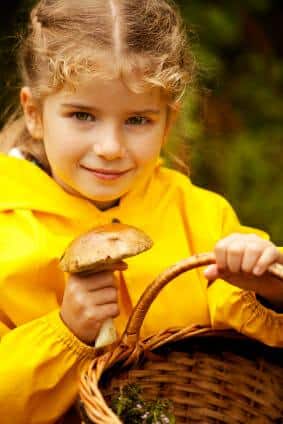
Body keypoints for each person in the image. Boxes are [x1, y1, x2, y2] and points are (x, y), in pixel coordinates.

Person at [0, 0, 282, 422]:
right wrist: (64, 332)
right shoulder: (9, 228)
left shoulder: (200, 215)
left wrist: (267, 292)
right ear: (36, 114)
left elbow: (256, 370)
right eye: (82, 115)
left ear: (168, 122)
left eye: (137, 120)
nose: (110, 148)